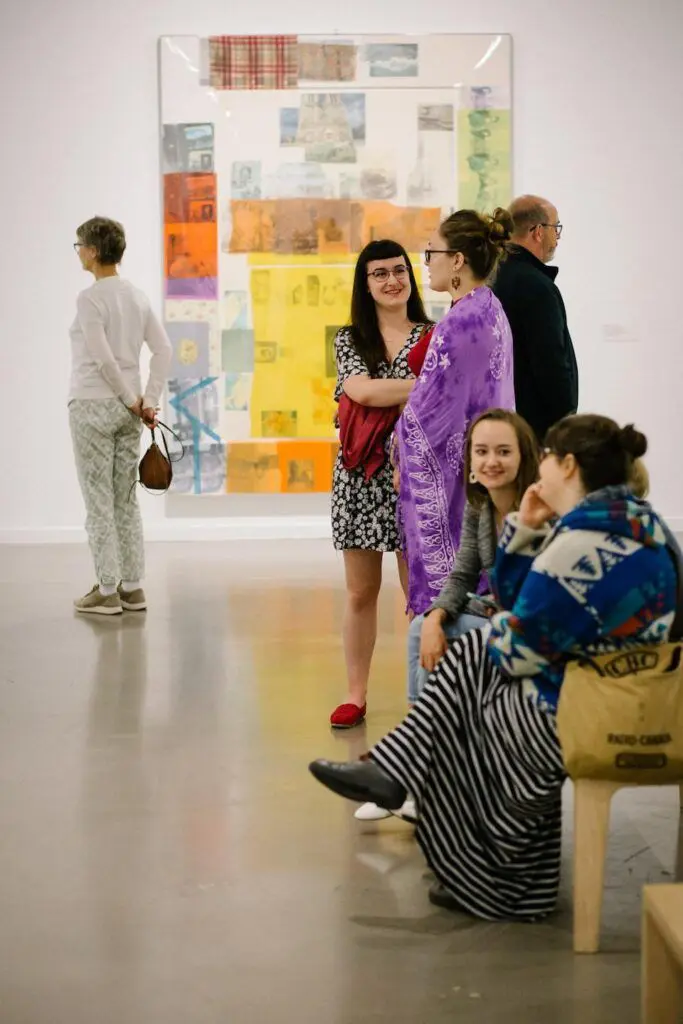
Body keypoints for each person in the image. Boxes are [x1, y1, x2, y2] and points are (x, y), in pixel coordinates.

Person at [310, 414, 680, 919]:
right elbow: (519, 607)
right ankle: (407, 782)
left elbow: (518, 646)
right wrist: (522, 540)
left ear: (568, 466)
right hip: (623, 691)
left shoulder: (582, 545)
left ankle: (431, 806)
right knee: (470, 655)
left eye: (545, 456)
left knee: (474, 685)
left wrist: (498, 618)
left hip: (602, 710)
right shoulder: (633, 523)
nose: (538, 466)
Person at [354, 408, 539, 824]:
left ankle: (411, 776)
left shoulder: (536, 510)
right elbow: (462, 575)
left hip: (529, 628)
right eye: (482, 451)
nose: (492, 461)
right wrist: (437, 616)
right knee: (423, 626)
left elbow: (529, 591)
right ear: (470, 460)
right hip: (497, 616)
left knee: (428, 630)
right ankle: (419, 772)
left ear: (523, 456)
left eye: (504, 451)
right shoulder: (481, 507)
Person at [330, 240, 431, 728]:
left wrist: (393, 392)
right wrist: (425, 385)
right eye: (380, 274)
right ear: (365, 284)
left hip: (417, 473)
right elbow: (361, 391)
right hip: (359, 475)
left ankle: (423, 698)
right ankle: (356, 694)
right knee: (360, 592)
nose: (392, 281)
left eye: (399, 270)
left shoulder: (433, 335)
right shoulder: (350, 339)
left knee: (419, 593)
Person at [397, 208, 515, 619]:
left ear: (458, 260)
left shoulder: (459, 322)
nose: (427, 263)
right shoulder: (490, 309)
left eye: (432, 252)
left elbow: (427, 414)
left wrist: (398, 443)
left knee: (453, 600)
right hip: (486, 464)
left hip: (461, 477)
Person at [69, 217, 172, 615]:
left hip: (93, 405)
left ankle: (107, 590)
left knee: (98, 500)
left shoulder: (90, 299)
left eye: (79, 245)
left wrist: (133, 400)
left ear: (94, 251)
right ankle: (132, 587)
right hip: (130, 412)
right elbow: (163, 350)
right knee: (125, 498)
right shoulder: (136, 296)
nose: (78, 252)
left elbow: (102, 358)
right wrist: (147, 400)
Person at [492, 194, 578, 441]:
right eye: (556, 228)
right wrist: (565, 416)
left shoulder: (493, 276)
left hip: (502, 419)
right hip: (536, 429)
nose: (557, 237)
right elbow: (550, 361)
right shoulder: (536, 286)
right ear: (539, 232)